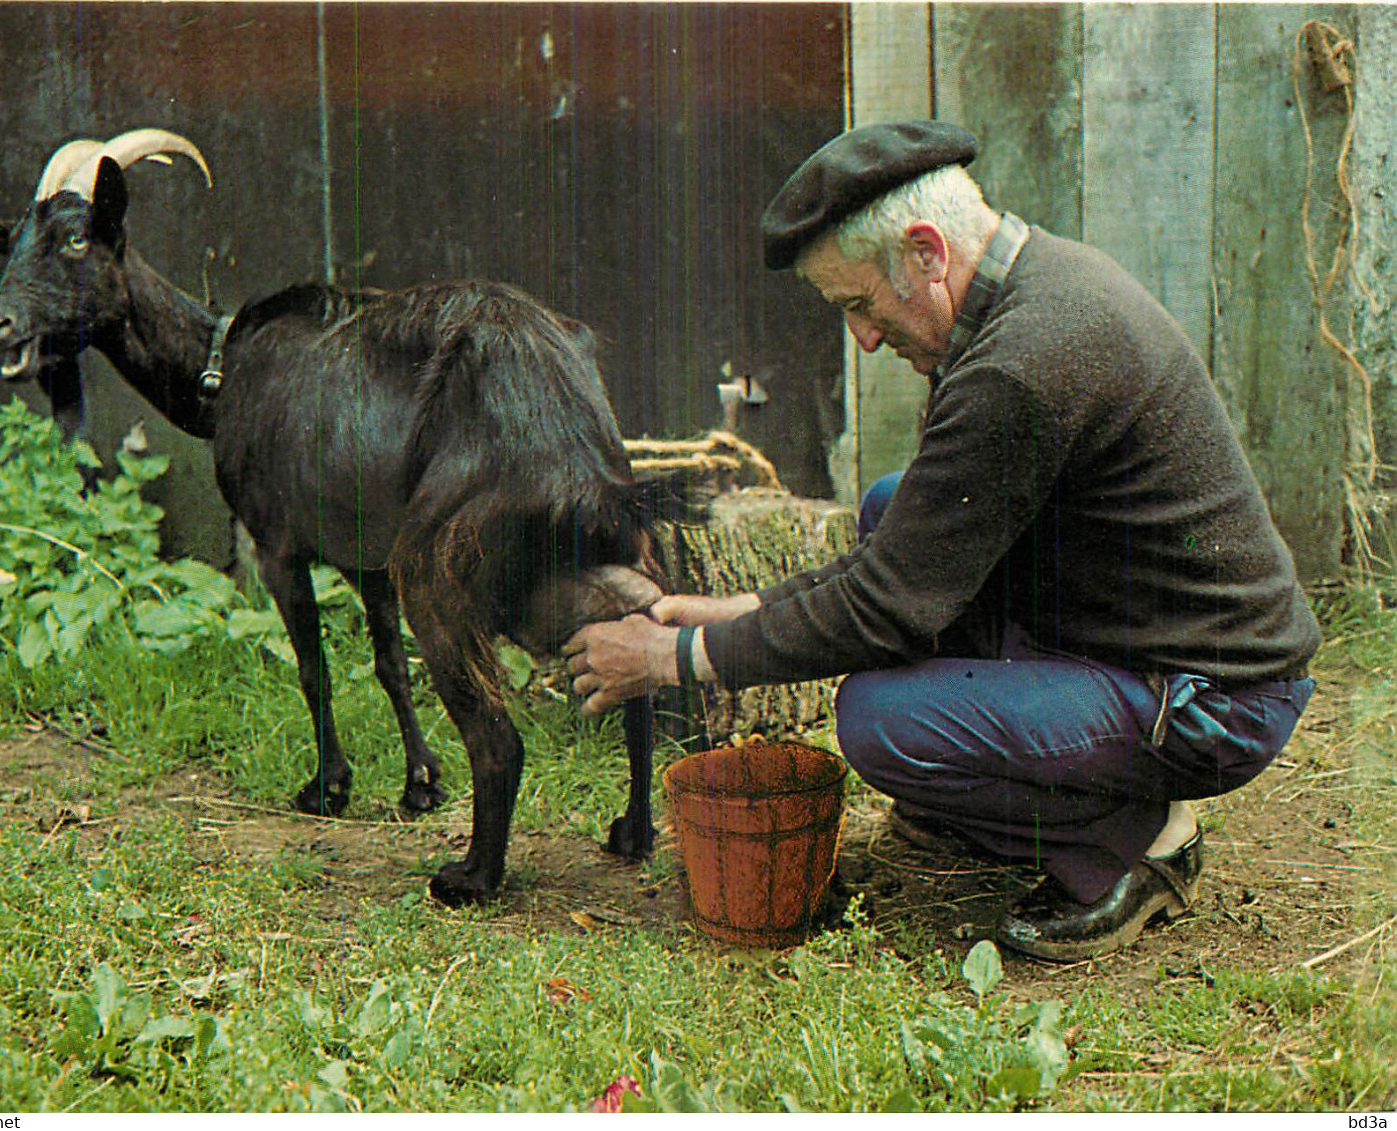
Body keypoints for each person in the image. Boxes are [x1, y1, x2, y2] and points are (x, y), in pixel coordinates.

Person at [562, 120, 1321, 962]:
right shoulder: (1033, 286)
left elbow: (886, 607)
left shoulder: (1018, 367)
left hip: (1215, 698)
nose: (865, 337)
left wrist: (675, 657)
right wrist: (748, 606)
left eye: (859, 303)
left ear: (925, 252)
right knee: (895, 504)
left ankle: (1136, 842)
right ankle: (1002, 790)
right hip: (1147, 632)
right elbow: (911, 554)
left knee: (881, 722)